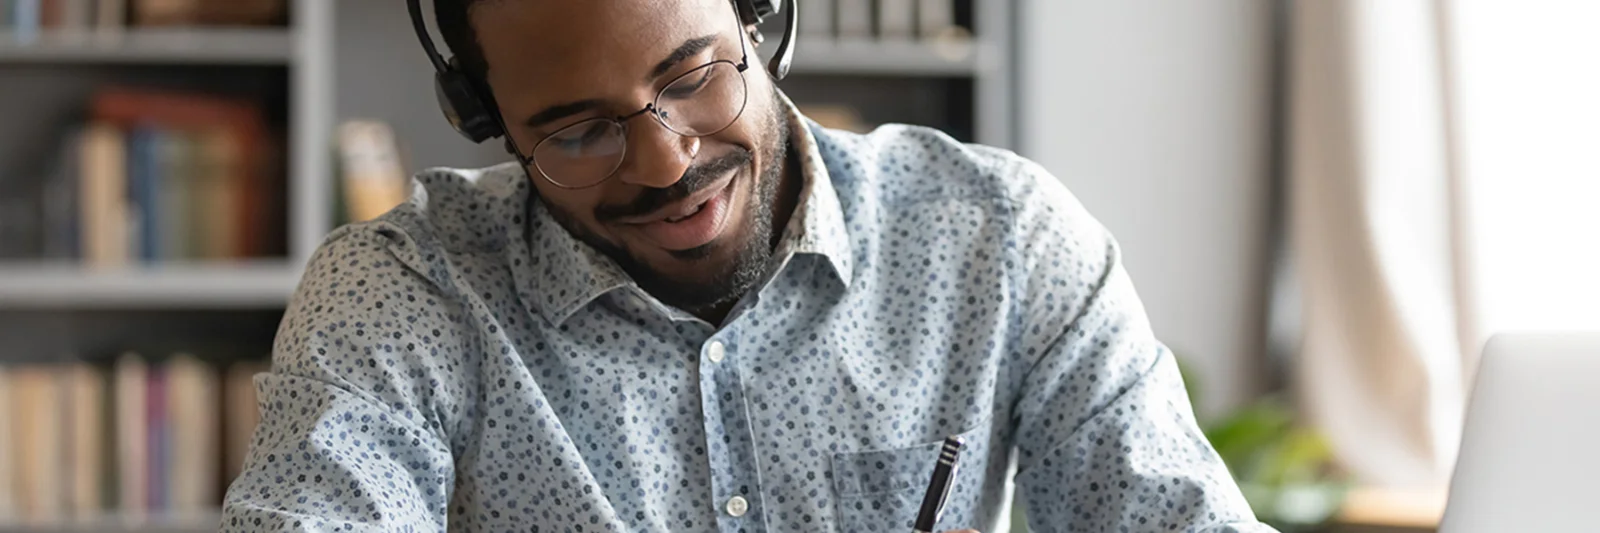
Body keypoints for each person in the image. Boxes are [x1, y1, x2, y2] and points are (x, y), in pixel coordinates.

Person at [221, 0, 1275, 531]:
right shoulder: (403, 291)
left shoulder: (997, 239)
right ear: (488, 121)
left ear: (762, 24)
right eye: (578, 132)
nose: (665, 160)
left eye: (692, 78)